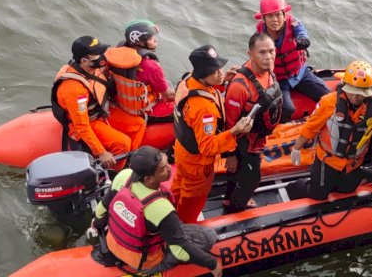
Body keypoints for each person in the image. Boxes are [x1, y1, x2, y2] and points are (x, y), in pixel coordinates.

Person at [93, 146, 222, 277]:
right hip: (145, 263)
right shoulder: (162, 209)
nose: (169, 168)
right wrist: (212, 264)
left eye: (167, 163)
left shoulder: (123, 176)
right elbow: (179, 250)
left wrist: (97, 224)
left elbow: (101, 210)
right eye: (163, 168)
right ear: (148, 179)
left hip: (112, 244)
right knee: (209, 235)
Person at [288, 60, 372, 201]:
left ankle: (364, 174)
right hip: (327, 160)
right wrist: (297, 148)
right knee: (318, 194)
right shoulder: (329, 102)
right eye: (352, 92)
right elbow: (311, 127)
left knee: (346, 190)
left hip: (353, 164)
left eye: (360, 94)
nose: (355, 97)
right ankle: (294, 187)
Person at [172, 44, 253, 223]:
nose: (220, 73)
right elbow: (207, 147)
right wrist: (234, 131)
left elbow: (206, 94)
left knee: (178, 186)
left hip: (182, 152)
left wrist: (221, 82)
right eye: (215, 71)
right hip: (198, 165)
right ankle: (184, 227)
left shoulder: (186, 82)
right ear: (202, 74)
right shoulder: (203, 110)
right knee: (193, 200)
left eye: (219, 68)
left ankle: (172, 209)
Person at [52, 36, 140, 170]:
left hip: (100, 113)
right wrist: (101, 152)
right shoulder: (75, 90)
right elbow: (81, 125)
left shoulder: (91, 69)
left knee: (138, 123)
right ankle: (115, 173)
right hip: (88, 122)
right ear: (84, 61)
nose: (101, 57)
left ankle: (129, 159)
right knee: (123, 143)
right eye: (97, 55)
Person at [223, 33, 283, 212]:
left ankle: (229, 198)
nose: (268, 56)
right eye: (262, 52)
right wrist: (230, 155)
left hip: (259, 136)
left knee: (237, 173)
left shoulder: (268, 69)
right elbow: (230, 124)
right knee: (252, 178)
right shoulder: (239, 87)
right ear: (250, 54)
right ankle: (237, 206)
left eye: (271, 51)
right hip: (246, 143)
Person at [254, 0, 330, 121]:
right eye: (270, 16)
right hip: (279, 80)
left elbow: (302, 33)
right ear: (263, 18)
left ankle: (322, 120)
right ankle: (280, 131)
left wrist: (303, 41)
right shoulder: (259, 36)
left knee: (327, 96)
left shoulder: (294, 24)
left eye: (278, 14)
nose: (275, 20)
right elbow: (255, 55)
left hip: (300, 73)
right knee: (287, 109)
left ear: (284, 15)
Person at [106, 19, 176, 123]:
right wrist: (187, 93)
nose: (156, 40)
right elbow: (168, 95)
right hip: (145, 109)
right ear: (139, 42)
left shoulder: (117, 54)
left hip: (121, 101)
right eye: (151, 38)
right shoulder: (151, 66)